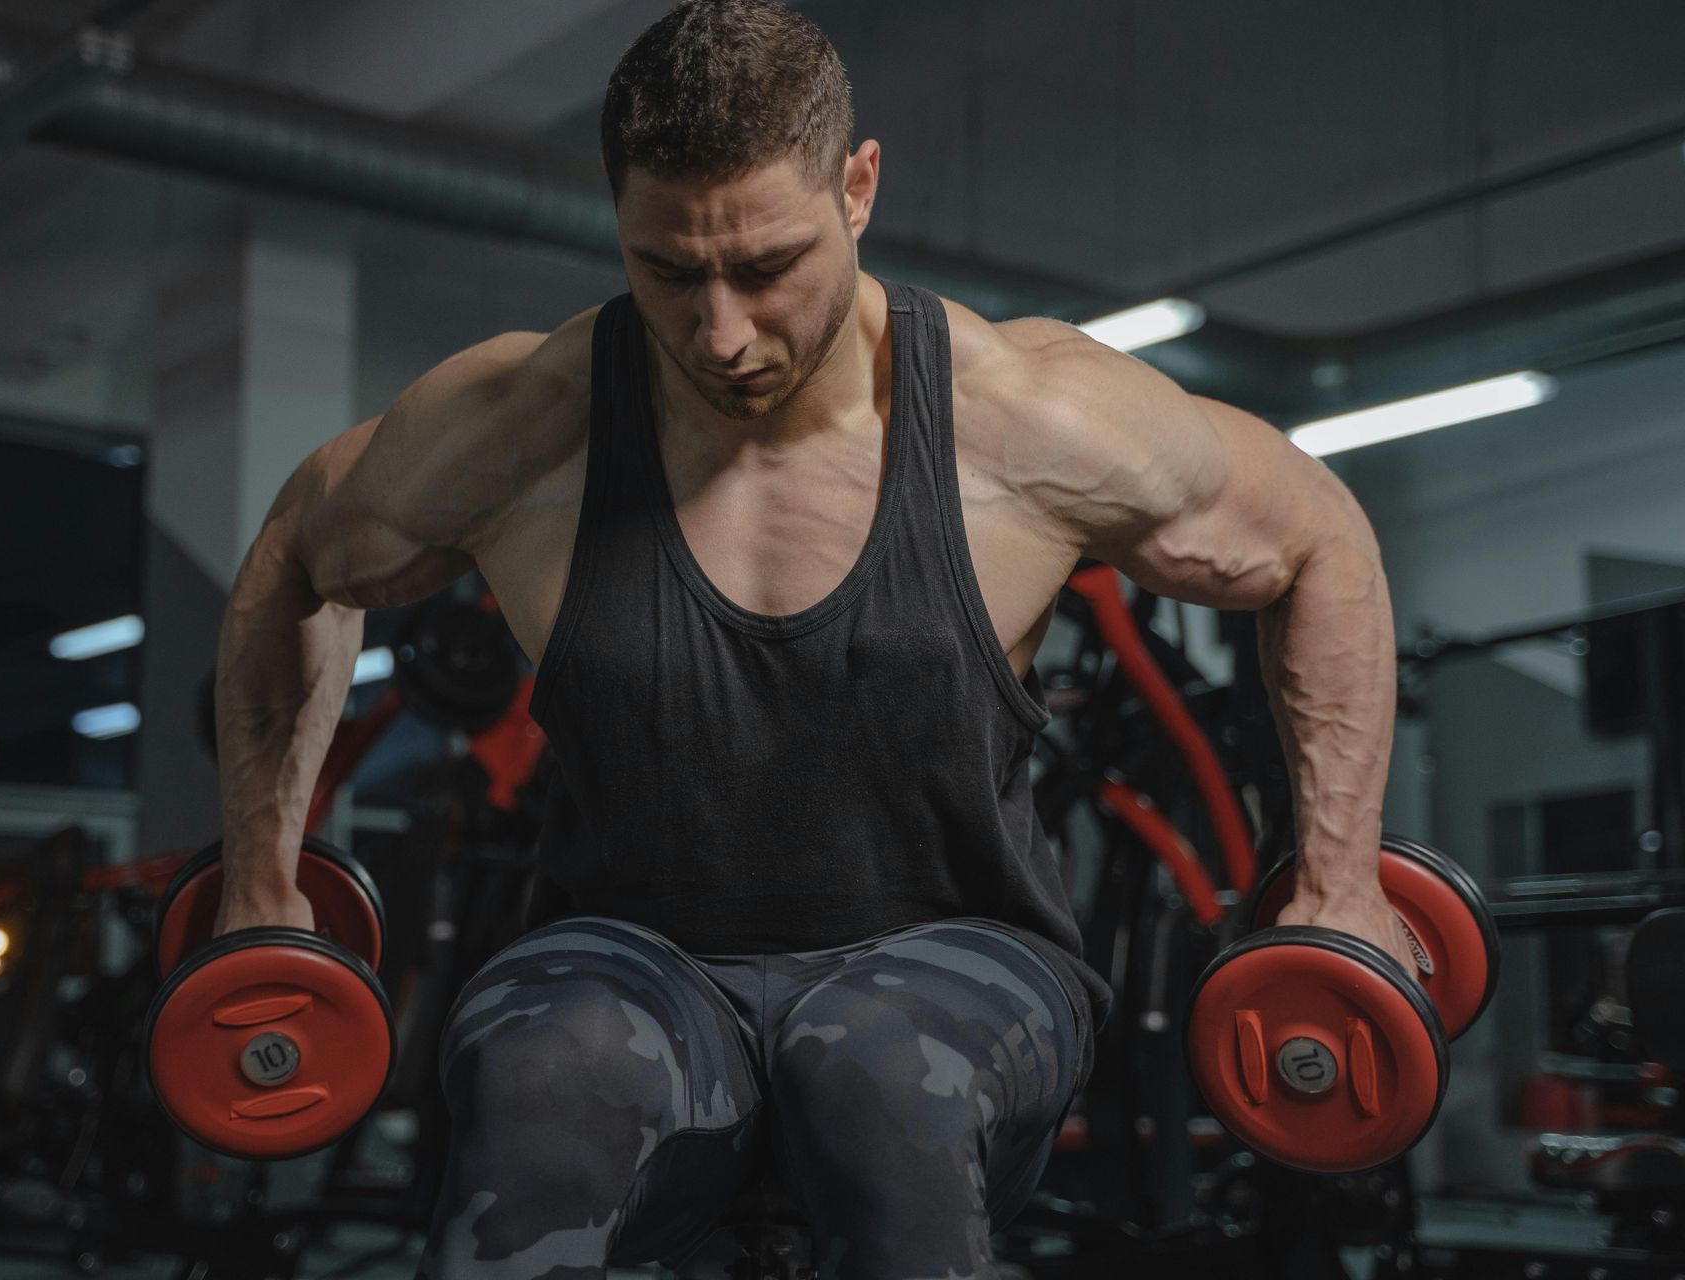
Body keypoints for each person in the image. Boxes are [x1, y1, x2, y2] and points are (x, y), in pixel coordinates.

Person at [207, 1, 1416, 1274]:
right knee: (536, 1075)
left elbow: (1318, 536)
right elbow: (298, 551)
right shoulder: (527, 427)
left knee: (883, 1078)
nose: (720, 333)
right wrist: (257, 881)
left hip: (965, 957)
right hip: (625, 955)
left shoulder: (1024, 422)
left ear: (859, 188)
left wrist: (1341, 882)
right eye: (669, 271)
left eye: (767, 265)